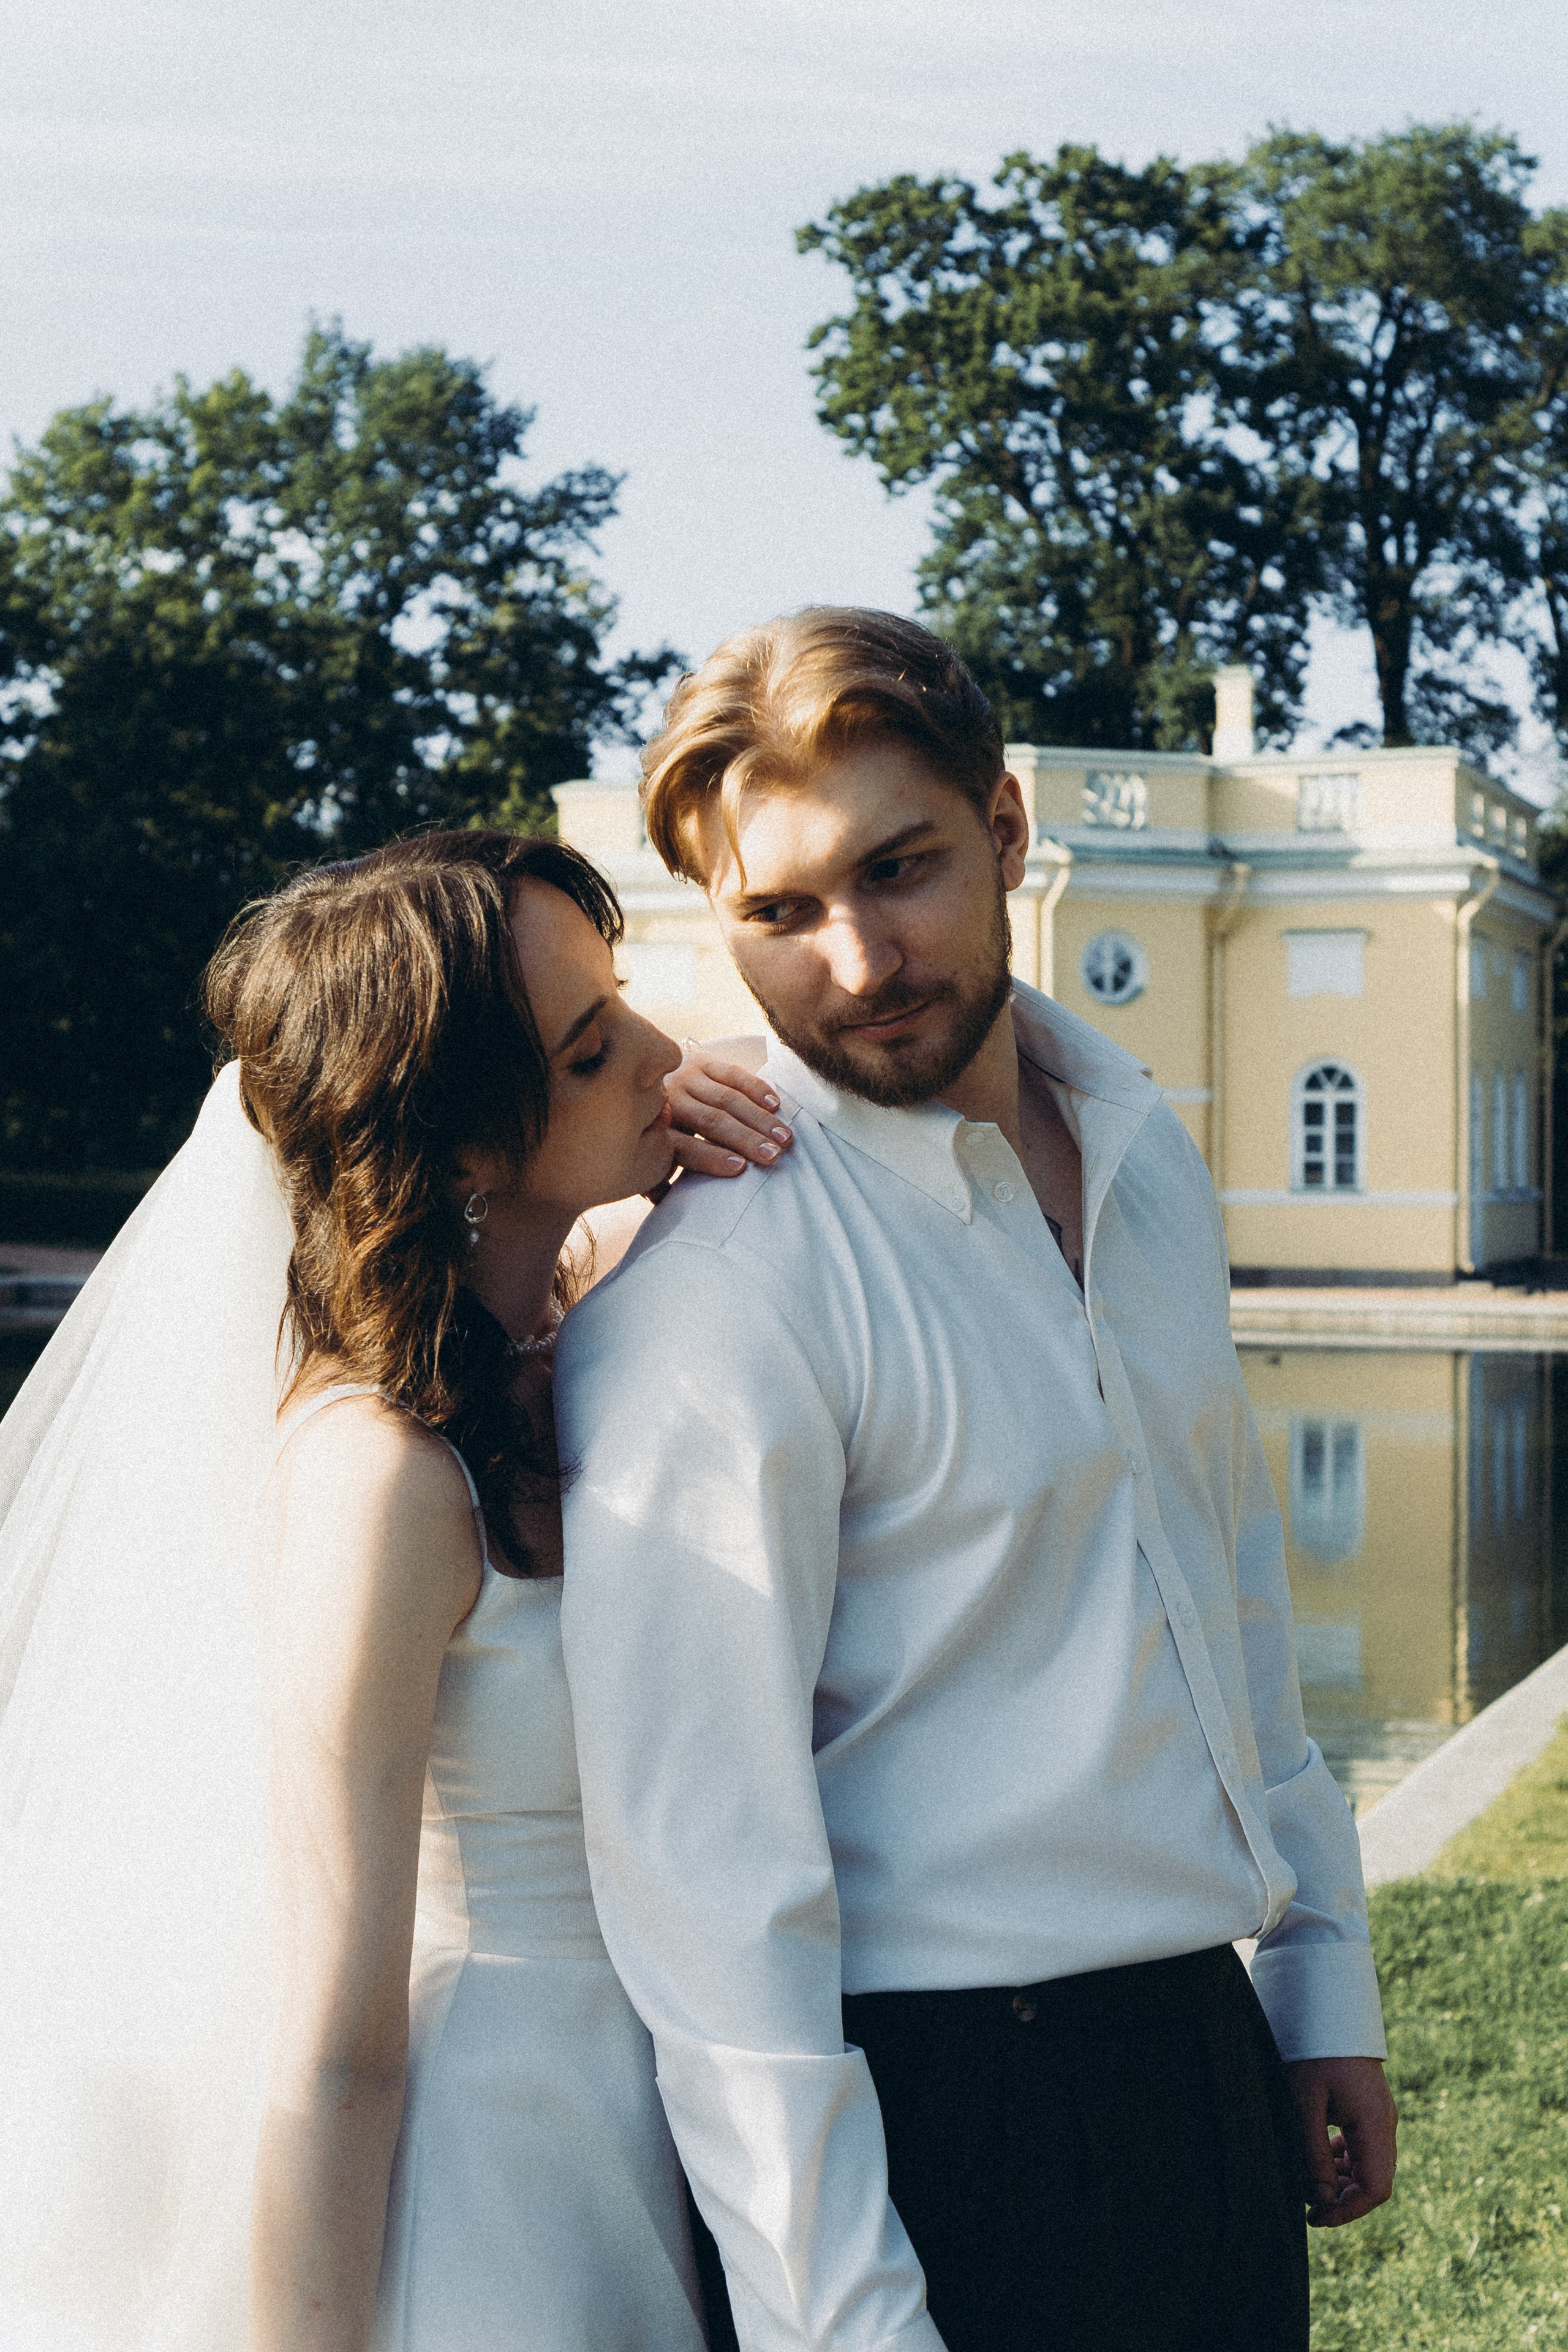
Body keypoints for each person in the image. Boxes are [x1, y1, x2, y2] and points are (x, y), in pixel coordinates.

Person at [555, 611, 1398, 2352]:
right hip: (942, 2123)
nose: (858, 960)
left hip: (1199, 2064)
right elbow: (706, 1886)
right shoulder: (721, 1297)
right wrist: (839, 2321)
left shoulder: (1147, 1163)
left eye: (903, 870)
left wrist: (1320, 1979)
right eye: (778, 913)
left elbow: (1236, 1597)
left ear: (1007, 834)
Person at [0, 829, 790, 2352]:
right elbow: (338, 2037)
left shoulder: (587, 1337)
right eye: (589, 1049)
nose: (658, 1055)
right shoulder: (376, 1480)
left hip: (654, 2101)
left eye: (624, 1005)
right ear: (459, 1139)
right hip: (490, 2156)